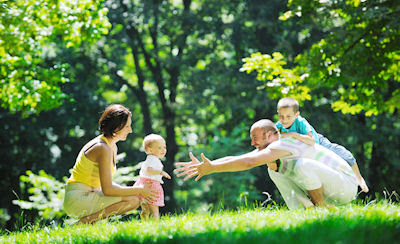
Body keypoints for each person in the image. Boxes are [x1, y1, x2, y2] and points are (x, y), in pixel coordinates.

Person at [175, 119, 360, 209]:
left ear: (271, 135)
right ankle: (305, 211)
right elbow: (241, 158)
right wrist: (209, 166)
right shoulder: (273, 149)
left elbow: (248, 162)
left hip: (346, 186)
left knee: (300, 165)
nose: (253, 143)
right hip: (330, 186)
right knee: (275, 170)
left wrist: (212, 168)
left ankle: (320, 208)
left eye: (255, 138)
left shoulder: (283, 143)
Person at [63, 104, 158, 224]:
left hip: (90, 194)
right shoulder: (102, 148)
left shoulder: (112, 147)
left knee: (134, 199)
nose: (130, 130)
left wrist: (138, 190)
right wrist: (139, 190)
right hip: (77, 198)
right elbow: (108, 190)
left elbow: (107, 185)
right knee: (133, 200)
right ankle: (85, 222)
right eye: (127, 126)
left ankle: (86, 223)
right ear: (117, 128)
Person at [276, 97, 368, 193]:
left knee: (342, 153)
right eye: (281, 116)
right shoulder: (278, 126)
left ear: (296, 115)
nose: (284, 120)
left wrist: (293, 135)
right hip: (303, 151)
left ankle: (359, 177)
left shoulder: (301, 122)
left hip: (318, 142)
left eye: (288, 116)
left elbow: (311, 141)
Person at [134, 134, 171, 220]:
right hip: (151, 185)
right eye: (159, 148)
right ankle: (155, 223)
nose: (163, 150)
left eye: (164, 147)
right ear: (150, 150)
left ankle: (144, 222)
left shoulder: (151, 158)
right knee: (154, 209)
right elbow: (148, 170)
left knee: (145, 209)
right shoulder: (153, 159)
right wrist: (160, 172)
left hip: (144, 183)